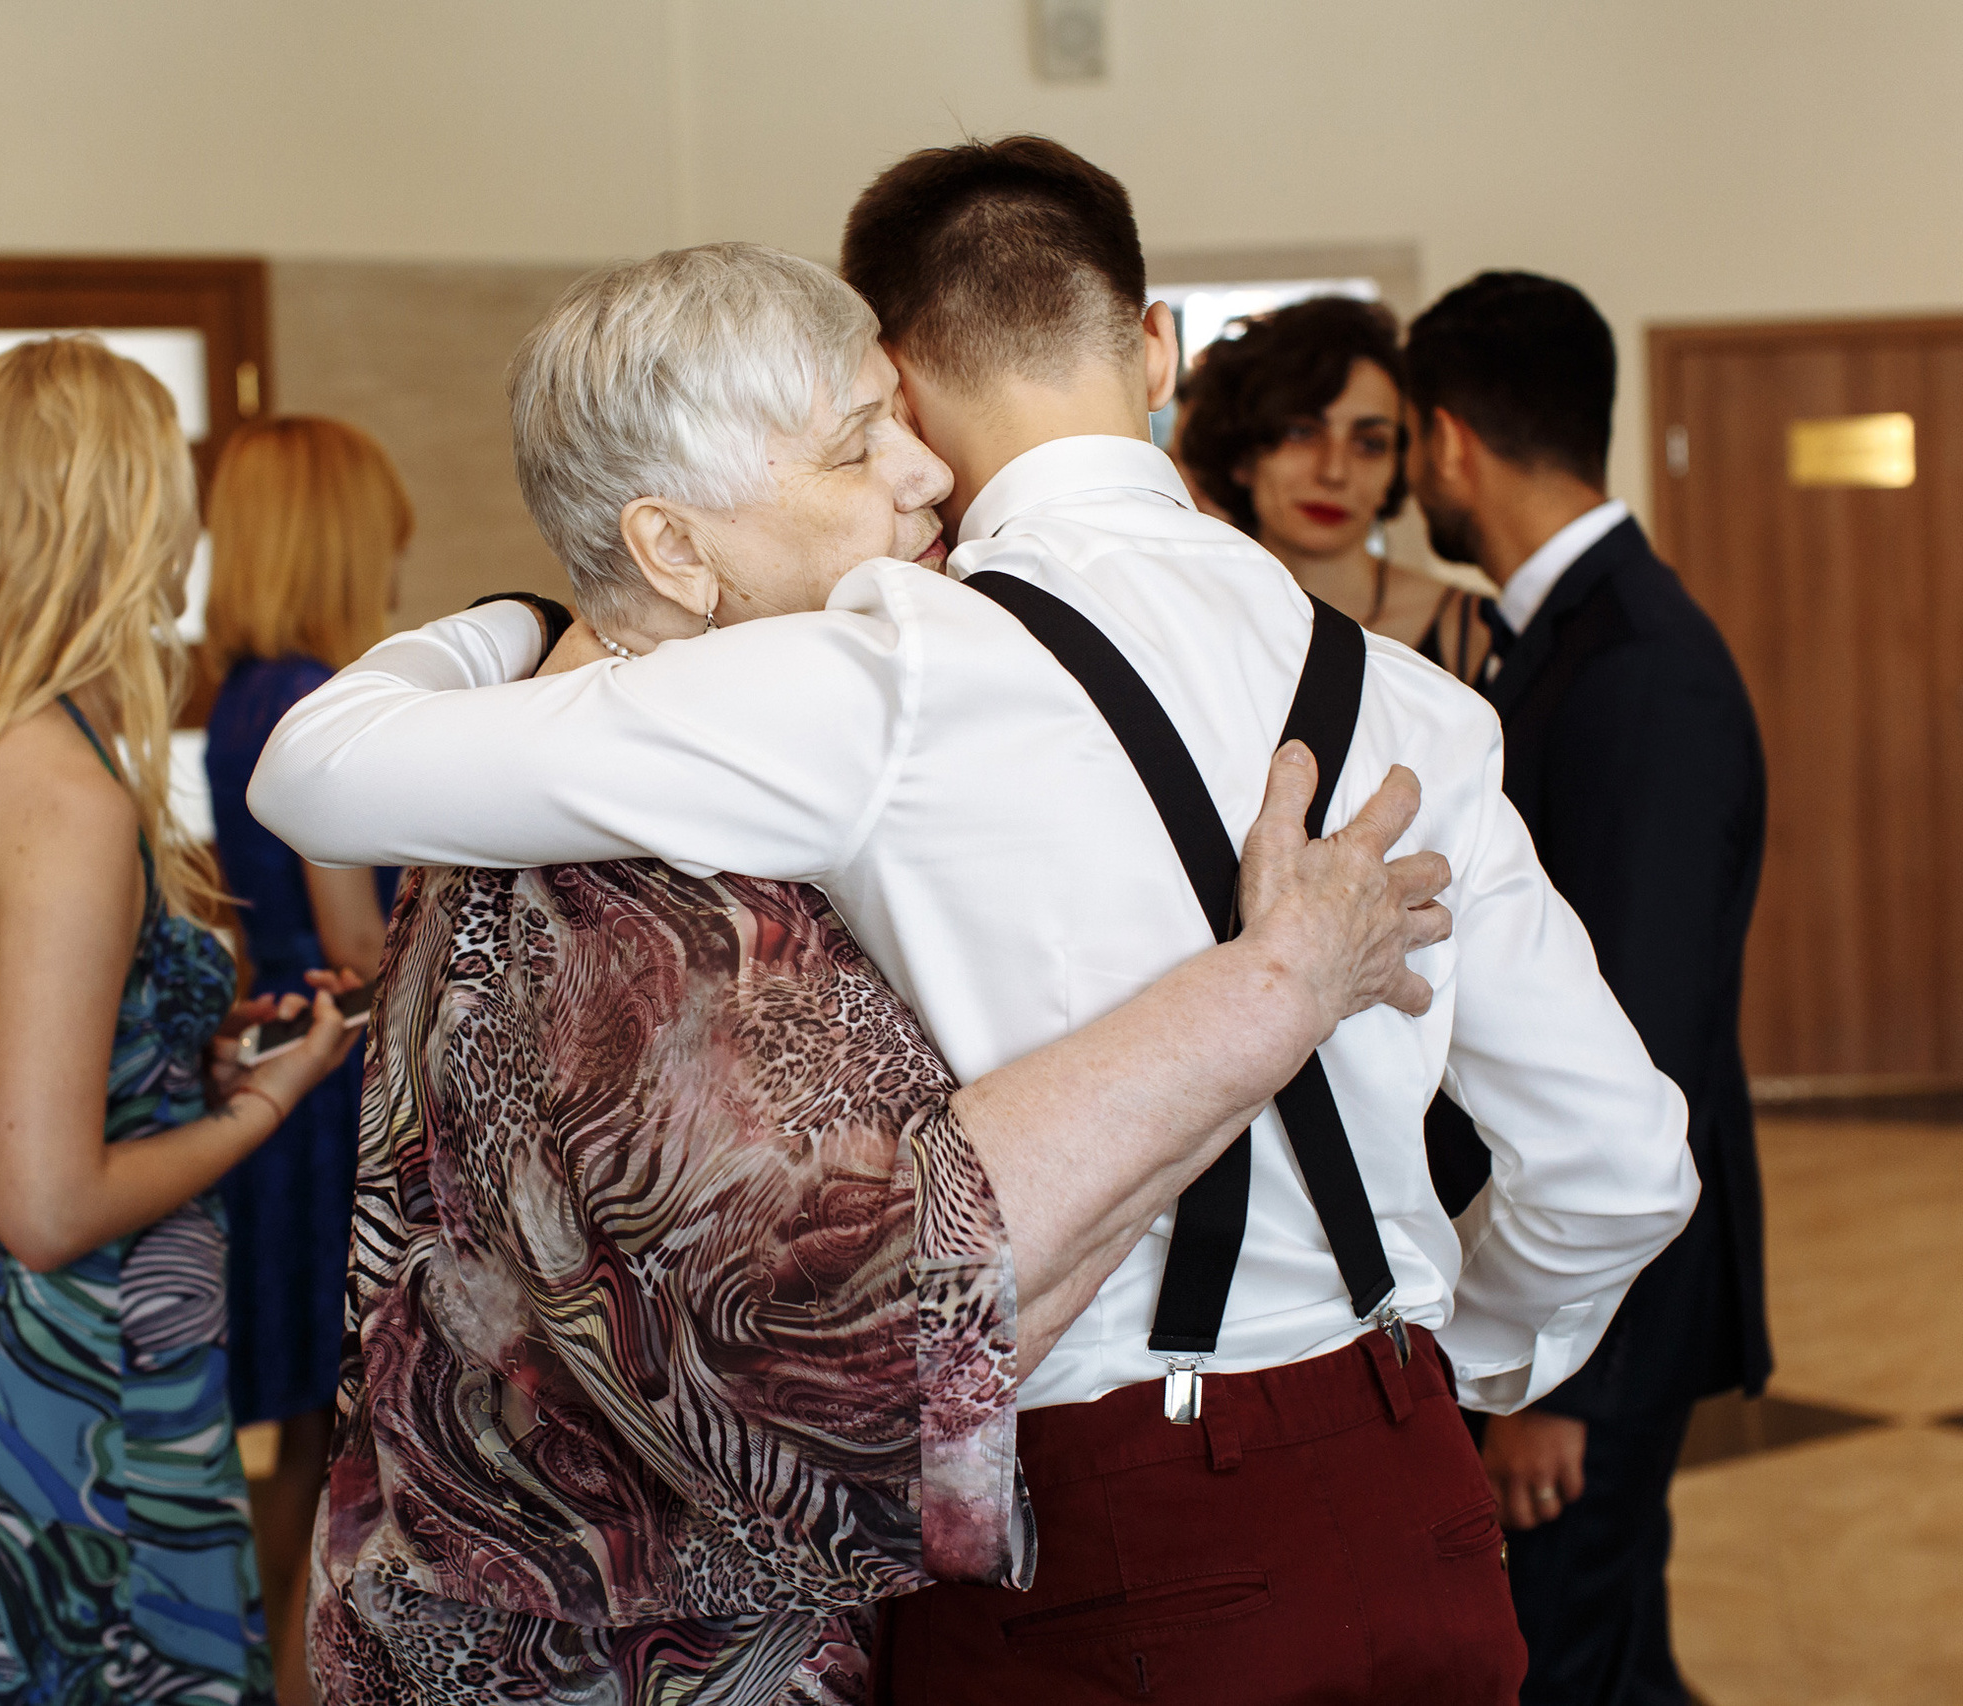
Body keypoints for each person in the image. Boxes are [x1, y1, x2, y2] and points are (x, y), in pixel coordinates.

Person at [252, 153, 1698, 1703]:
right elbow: (1623, 1158)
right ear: (1153, 349)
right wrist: (1439, 1354)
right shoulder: (1413, 698)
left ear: (907, 382)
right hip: (1415, 1501)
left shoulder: (890, 667)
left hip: (1097, 1529)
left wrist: (517, 622)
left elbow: (329, 774)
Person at [0, 336, 359, 1706]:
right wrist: (265, 1100)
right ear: (113, 521)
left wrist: (173, 1060)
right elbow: (53, 1200)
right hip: (100, 1362)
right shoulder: (65, 805)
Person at [1405, 270, 1770, 1706]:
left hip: (1607, 1303)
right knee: (1609, 1651)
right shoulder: (1569, 636)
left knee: (1567, 1662)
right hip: (1585, 1280)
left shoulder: (1638, 669)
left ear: (1448, 443)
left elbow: (1646, 1041)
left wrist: (1558, 1385)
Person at [198, 415, 411, 1702]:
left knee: (291, 1430)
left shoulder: (238, 693)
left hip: (281, 1060)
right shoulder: (314, 701)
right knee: (334, 1436)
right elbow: (359, 935)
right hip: (332, 1078)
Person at [1179, 295, 1494, 678]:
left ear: (1399, 463)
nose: (1334, 472)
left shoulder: (1473, 633)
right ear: (1243, 456)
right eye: (1301, 433)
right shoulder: (1184, 623)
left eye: (1369, 443)